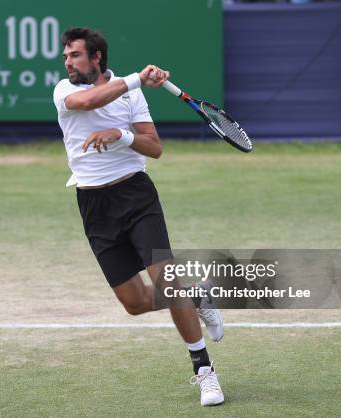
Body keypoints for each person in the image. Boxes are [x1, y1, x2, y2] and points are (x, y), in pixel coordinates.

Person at [52, 27, 225, 406]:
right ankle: (197, 297)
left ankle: (204, 371)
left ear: (97, 58)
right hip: (94, 206)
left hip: (136, 197)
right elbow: (89, 103)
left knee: (165, 279)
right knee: (133, 302)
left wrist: (123, 136)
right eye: (66, 56)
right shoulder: (65, 91)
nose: (68, 62)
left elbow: (155, 148)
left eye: (75, 55)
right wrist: (138, 80)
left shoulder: (131, 97)